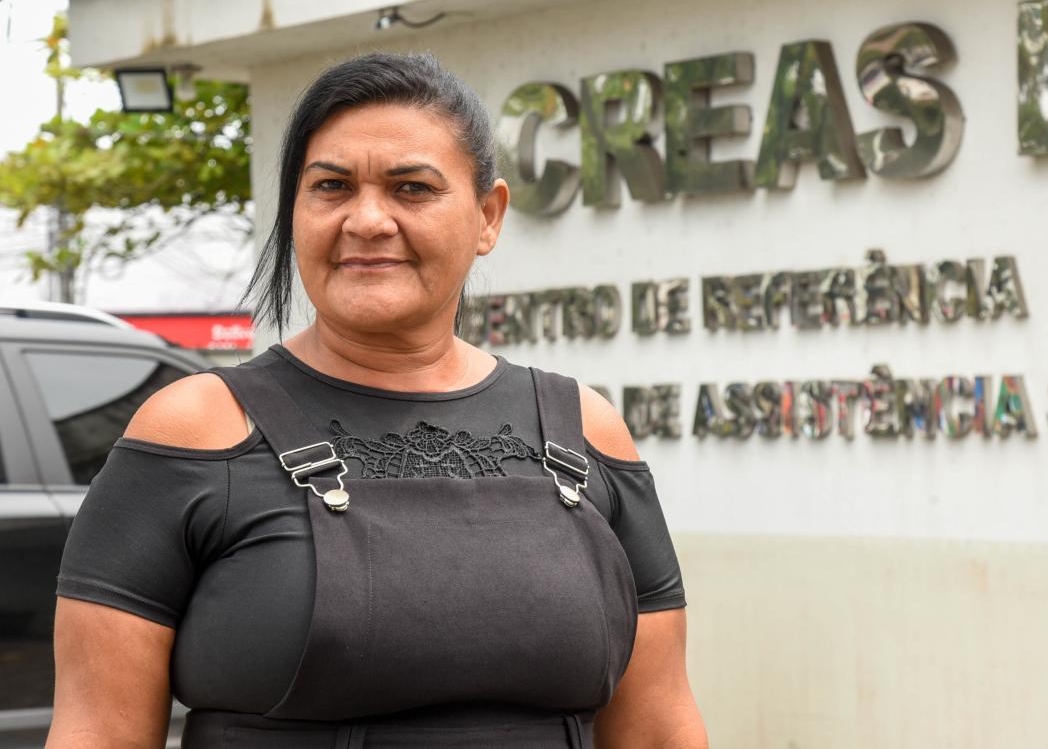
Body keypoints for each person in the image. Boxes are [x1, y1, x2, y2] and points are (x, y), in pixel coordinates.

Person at [46, 52, 709, 749]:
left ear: (488, 216)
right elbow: (98, 732)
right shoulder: (195, 431)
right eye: (331, 186)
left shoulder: (581, 431)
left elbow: (659, 726)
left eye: (411, 188)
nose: (366, 220)